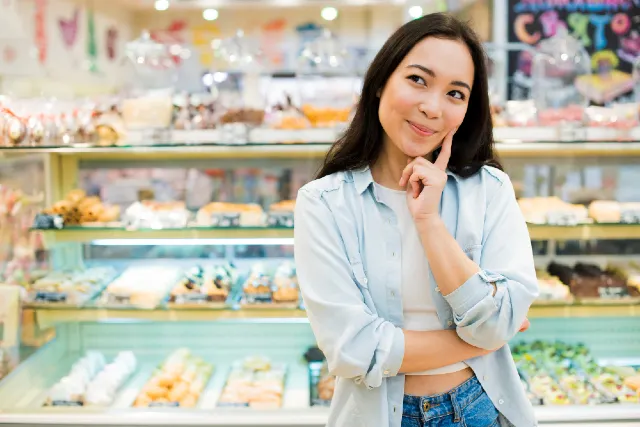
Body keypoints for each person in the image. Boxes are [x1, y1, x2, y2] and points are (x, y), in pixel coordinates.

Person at [294, 12, 539, 427]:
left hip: (480, 408)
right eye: (418, 80)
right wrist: (484, 340)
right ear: (379, 83)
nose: (431, 107)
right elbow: (352, 350)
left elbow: (500, 322)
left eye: (456, 93)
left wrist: (429, 222)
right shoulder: (323, 202)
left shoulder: (489, 189)